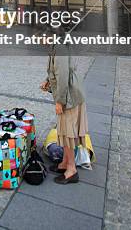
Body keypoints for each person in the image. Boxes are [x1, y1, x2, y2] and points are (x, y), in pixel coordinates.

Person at [40, 45, 88, 184]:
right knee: (64, 131)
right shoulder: (55, 45)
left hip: (69, 97)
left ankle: (71, 170)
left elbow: (62, 77)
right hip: (69, 95)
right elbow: (58, 69)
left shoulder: (59, 47)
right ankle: (65, 162)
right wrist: (47, 80)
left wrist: (60, 102)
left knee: (68, 133)